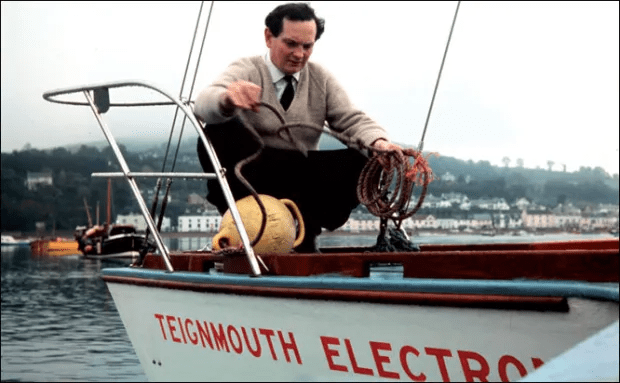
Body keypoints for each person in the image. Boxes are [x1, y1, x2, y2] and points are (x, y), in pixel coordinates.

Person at [194, 2, 403, 252]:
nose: (299, 54)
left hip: (301, 177)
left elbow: (351, 119)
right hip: (252, 174)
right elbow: (203, 103)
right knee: (217, 131)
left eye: (307, 46)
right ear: (268, 37)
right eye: (291, 44)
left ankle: (307, 230)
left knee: (368, 157)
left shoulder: (320, 78)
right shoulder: (247, 69)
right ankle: (248, 224)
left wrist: (380, 143)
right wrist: (227, 97)